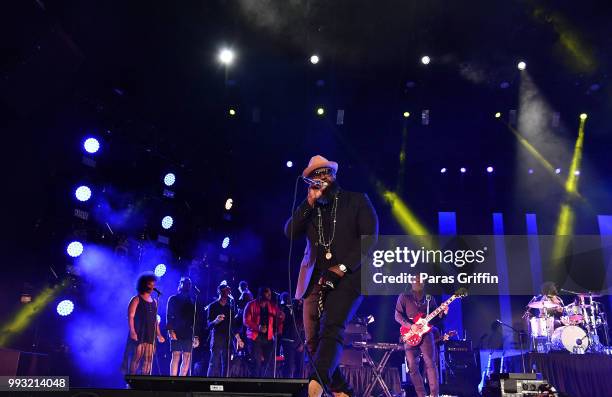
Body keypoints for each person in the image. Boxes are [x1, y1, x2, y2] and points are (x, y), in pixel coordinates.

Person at [284, 155, 378, 397]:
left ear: (334, 176)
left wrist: (343, 267)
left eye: (325, 173)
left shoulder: (356, 201)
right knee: (312, 340)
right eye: (315, 176)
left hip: (349, 276)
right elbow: (290, 232)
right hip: (314, 279)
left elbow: (369, 239)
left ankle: (314, 389)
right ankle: (342, 392)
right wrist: (307, 203)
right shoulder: (310, 208)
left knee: (332, 329)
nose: (321, 178)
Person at [395, 279, 447, 397]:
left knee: (430, 363)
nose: (417, 282)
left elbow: (435, 319)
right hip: (409, 333)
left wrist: (443, 313)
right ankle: (421, 395)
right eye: (415, 280)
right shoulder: (404, 297)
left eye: (420, 280)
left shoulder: (429, 298)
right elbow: (397, 315)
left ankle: (434, 394)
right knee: (412, 366)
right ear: (411, 282)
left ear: (423, 283)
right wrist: (410, 326)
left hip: (426, 334)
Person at [124, 273, 165, 375]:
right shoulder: (136, 299)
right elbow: (130, 316)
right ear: (143, 284)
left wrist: (159, 335)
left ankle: (144, 380)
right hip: (139, 332)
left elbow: (155, 321)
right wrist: (133, 331)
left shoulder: (154, 301)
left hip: (150, 334)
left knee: (148, 359)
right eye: (149, 284)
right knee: (137, 357)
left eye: (153, 284)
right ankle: (132, 380)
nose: (152, 286)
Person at [243, 286, 285, 377]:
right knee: (256, 364)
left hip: (268, 338)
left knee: (269, 364)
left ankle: (266, 385)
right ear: (261, 294)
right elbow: (246, 321)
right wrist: (258, 327)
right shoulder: (251, 305)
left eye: (270, 292)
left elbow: (279, 320)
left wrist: (281, 318)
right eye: (266, 292)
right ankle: (255, 386)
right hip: (255, 338)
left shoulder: (272, 306)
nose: (269, 294)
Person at [206, 280, 244, 377]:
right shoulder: (213, 306)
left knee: (226, 365)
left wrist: (239, 339)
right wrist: (216, 321)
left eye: (228, 291)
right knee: (214, 364)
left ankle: (224, 385)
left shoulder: (230, 308)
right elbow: (209, 325)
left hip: (227, 341)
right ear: (220, 292)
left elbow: (233, 326)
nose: (227, 293)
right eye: (225, 291)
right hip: (217, 340)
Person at [166, 276, 199, 376]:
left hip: (188, 333)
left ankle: (181, 380)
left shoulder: (192, 301)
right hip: (176, 330)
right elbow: (169, 315)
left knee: (187, 356)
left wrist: (196, 335)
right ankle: (173, 381)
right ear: (180, 285)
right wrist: (170, 330)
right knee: (176, 355)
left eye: (189, 284)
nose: (187, 285)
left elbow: (195, 319)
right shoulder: (173, 299)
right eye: (185, 283)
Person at [279, 292, 305, 378]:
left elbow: (303, 327)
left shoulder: (299, 311)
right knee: (289, 366)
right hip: (287, 341)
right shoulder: (282, 309)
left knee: (299, 366)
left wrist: (303, 343)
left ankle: (298, 386)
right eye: (286, 299)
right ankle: (286, 385)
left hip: (299, 341)